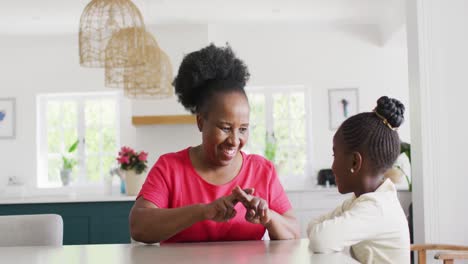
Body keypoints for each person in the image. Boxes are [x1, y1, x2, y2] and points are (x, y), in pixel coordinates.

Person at [129, 44, 300, 243]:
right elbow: (138, 226)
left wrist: (268, 217)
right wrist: (203, 211)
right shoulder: (170, 168)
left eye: (243, 129)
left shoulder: (262, 171)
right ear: (201, 122)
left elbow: (294, 232)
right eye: (225, 128)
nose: (235, 140)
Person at [307, 96, 410, 263]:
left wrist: (319, 231)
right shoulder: (361, 201)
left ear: (355, 161)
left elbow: (320, 239)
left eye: (335, 155)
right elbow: (313, 224)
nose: (332, 167)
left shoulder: (376, 208)